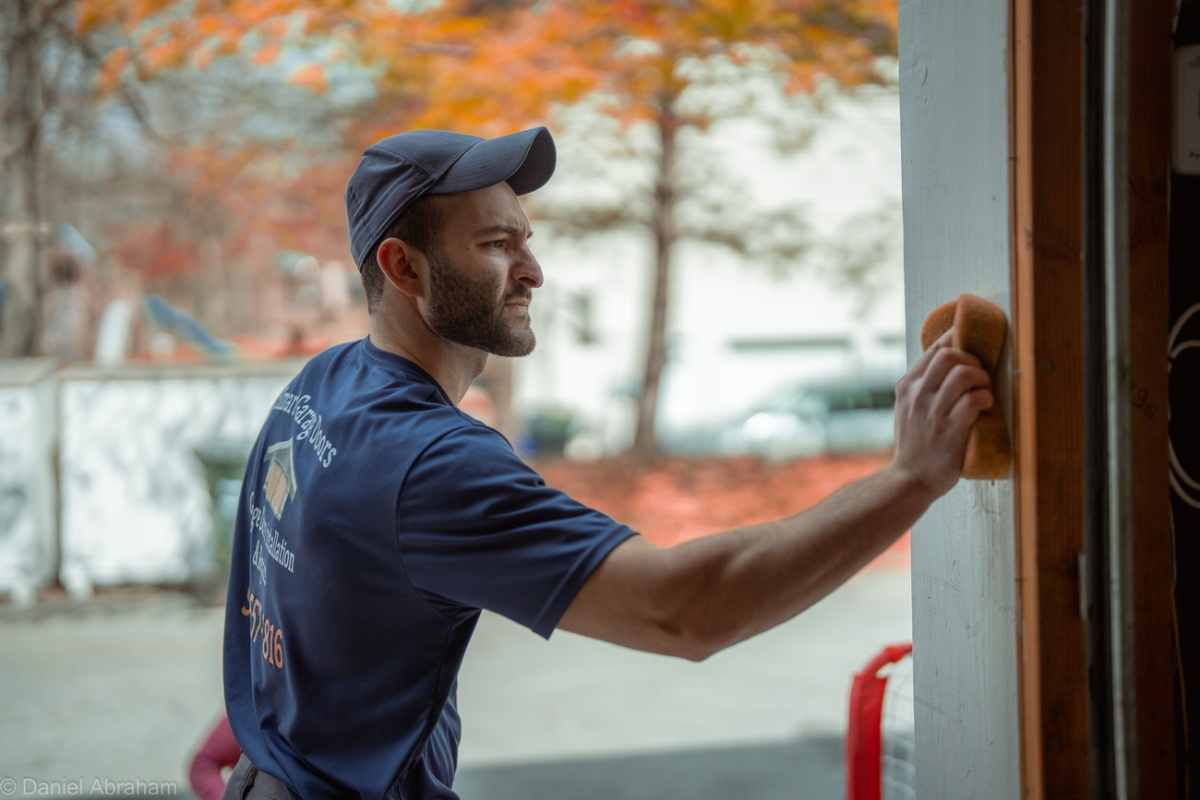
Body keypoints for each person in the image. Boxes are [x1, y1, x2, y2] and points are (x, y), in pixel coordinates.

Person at [221, 126, 992, 800]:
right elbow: (685, 608)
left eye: (526, 239)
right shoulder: (430, 463)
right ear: (404, 268)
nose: (533, 270)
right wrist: (911, 479)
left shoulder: (324, 384)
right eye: (496, 244)